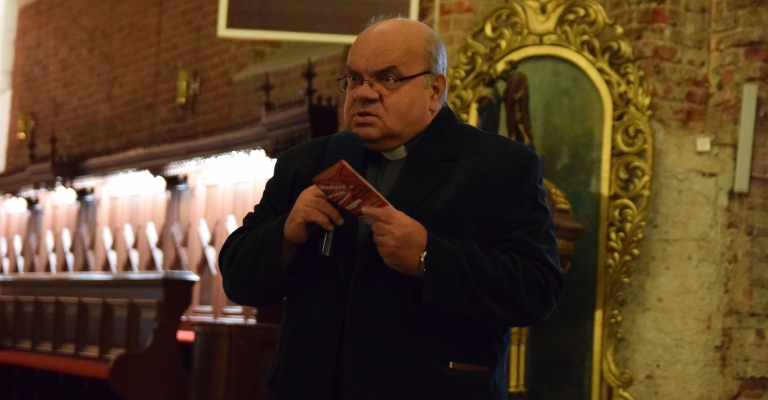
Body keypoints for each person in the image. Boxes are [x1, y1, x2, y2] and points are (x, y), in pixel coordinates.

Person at [218, 16, 563, 400]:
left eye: (388, 79)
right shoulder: (305, 163)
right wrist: (286, 234)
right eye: (354, 79)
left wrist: (429, 257)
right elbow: (237, 276)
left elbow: (536, 288)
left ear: (435, 90)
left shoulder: (499, 166)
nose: (364, 94)